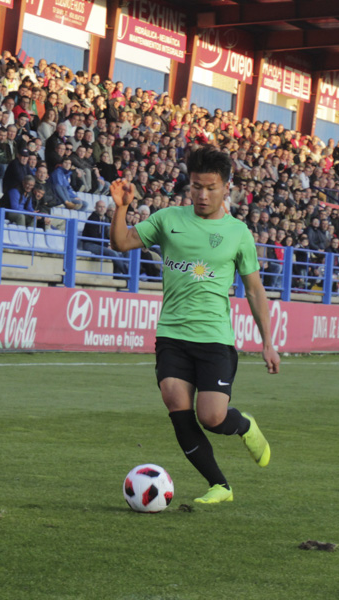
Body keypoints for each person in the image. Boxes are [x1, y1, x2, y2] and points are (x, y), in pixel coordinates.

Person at [108, 145, 278, 504]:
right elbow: (122, 242)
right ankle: (220, 486)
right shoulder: (169, 219)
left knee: (212, 417)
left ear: (226, 187)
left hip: (215, 338)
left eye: (211, 187)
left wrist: (267, 342)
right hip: (172, 334)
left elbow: (254, 290)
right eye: (196, 186)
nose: (202, 194)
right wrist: (121, 207)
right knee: (175, 402)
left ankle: (244, 425)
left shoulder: (238, 233)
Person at [79, 199, 126, 275]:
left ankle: (117, 276)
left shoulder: (103, 219)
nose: (102, 209)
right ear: (95, 207)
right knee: (113, 253)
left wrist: (110, 245)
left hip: (99, 244)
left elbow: (104, 236)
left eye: (103, 207)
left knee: (119, 253)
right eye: (100, 207)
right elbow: (94, 237)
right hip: (89, 244)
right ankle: (127, 273)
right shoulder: (92, 219)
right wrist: (106, 246)